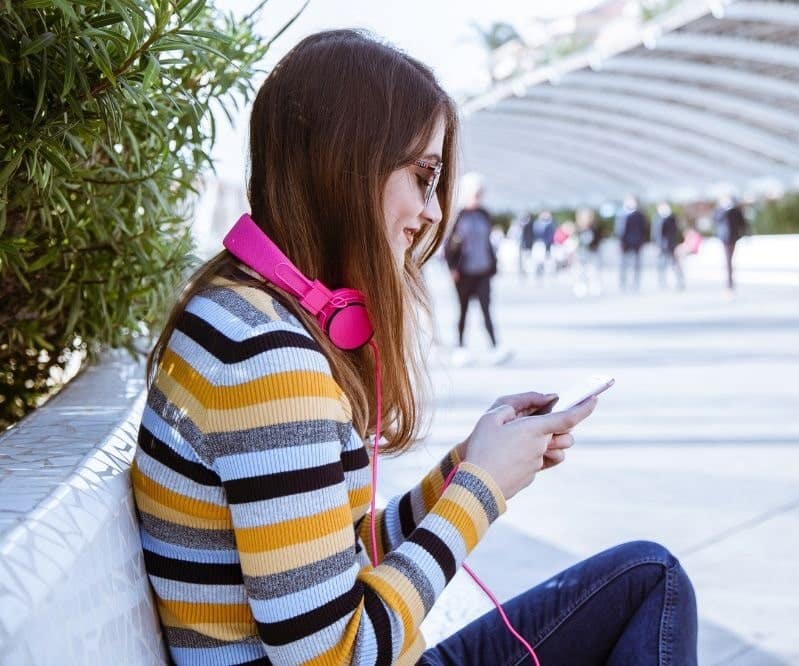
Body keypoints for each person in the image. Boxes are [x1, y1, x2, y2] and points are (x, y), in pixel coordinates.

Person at [131, 30, 697, 666]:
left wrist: (467, 465)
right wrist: (480, 492)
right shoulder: (268, 359)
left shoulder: (234, 312)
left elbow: (341, 554)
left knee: (647, 578)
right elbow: (333, 658)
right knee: (655, 583)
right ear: (346, 167)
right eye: (423, 176)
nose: (431, 212)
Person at [444, 174, 504, 358]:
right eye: (475, 193)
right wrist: (452, 268)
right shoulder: (458, 217)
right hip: (464, 273)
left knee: (486, 309)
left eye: (480, 193)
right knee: (463, 311)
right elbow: (449, 247)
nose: (478, 197)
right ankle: (460, 347)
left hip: (483, 270)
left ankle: (495, 347)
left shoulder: (484, 215)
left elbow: (488, 243)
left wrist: (494, 264)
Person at [715, 194, 749, 292]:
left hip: (733, 238)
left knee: (729, 260)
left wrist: (747, 235)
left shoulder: (735, 210)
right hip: (724, 238)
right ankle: (730, 283)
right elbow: (716, 220)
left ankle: (730, 283)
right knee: (728, 260)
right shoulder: (720, 211)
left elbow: (742, 223)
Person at [615, 194, 648, 291]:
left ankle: (635, 282)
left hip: (636, 243)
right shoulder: (621, 214)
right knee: (623, 264)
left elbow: (644, 229)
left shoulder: (640, 215)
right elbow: (619, 230)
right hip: (625, 244)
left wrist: (642, 241)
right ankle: (623, 282)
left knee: (636, 264)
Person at [653, 202, 685, 290]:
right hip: (660, 245)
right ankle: (662, 282)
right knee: (661, 264)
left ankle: (679, 281)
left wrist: (679, 244)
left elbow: (678, 232)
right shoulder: (657, 218)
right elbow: (655, 233)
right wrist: (655, 245)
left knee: (675, 264)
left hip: (672, 245)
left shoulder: (672, 218)